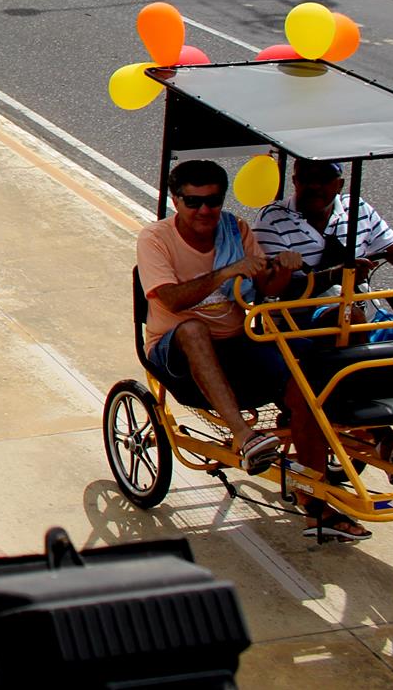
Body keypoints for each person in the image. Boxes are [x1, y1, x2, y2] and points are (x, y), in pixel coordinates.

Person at [139, 160, 354, 539]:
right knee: (193, 329)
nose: (204, 210)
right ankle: (245, 436)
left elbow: (267, 288)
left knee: (305, 385)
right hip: (176, 352)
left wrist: (282, 269)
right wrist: (225, 272)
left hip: (237, 343)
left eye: (212, 201)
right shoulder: (155, 239)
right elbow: (171, 300)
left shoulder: (234, 230)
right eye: (193, 202)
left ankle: (315, 503)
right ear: (176, 200)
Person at [257, 158, 393, 476]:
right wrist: (335, 274)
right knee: (348, 317)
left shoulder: (357, 209)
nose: (314, 186)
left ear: (339, 184)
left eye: (323, 179)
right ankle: (381, 435)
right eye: (306, 178)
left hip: (367, 315)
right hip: (303, 323)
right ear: (294, 180)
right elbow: (278, 287)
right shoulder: (273, 219)